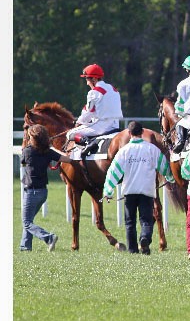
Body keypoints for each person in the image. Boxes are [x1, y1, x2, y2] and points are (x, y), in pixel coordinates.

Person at [102, 121, 175, 255]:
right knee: (146, 220)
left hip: (129, 192)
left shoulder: (123, 151)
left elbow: (113, 171)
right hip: (147, 191)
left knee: (130, 222)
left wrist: (108, 190)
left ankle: (133, 250)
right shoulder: (152, 149)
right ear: (142, 133)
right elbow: (163, 166)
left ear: (129, 133)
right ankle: (145, 238)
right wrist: (170, 178)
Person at [19, 124, 71, 252]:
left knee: (26, 222)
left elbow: (23, 163)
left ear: (33, 138)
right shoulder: (48, 152)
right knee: (29, 221)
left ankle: (49, 237)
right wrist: (53, 148)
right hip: (43, 193)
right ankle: (25, 247)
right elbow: (68, 159)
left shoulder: (27, 151)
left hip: (31, 192)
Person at [66, 64, 123, 156]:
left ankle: (88, 143)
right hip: (116, 125)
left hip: (102, 126)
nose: (87, 83)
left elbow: (89, 113)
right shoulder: (112, 88)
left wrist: (79, 122)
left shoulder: (94, 92)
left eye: (87, 79)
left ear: (94, 79)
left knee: (70, 133)